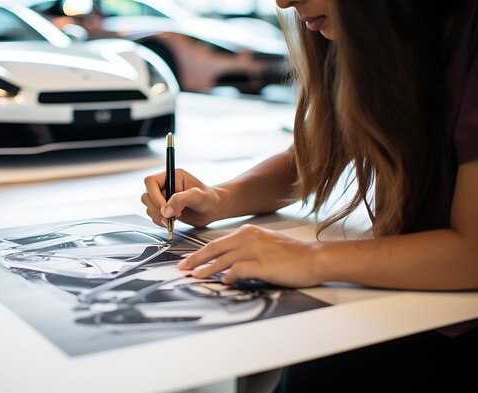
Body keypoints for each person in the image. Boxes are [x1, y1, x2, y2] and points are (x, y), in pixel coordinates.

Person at [141, 0, 478, 391]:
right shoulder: (362, 34)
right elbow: (315, 154)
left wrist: (311, 258)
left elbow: (471, 253)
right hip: (406, 307)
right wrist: (219, 199)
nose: (283, 2)